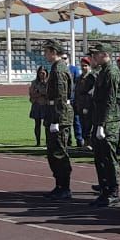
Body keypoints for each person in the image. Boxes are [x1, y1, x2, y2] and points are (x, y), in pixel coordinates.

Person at [86, 44, 120, 206]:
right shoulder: (103, 71)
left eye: (95, 54)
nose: (92, 57)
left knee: (108, 157)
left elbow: (111, 100)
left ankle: (113, 192)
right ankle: (104, 190)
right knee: (100, 157)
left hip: (110, 121)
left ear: (105, 54)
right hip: (101, 119)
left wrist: (102, 124)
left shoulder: (112, 72)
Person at [41, 41, 76, 200]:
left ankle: (64, 187)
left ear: (53, 51)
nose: (45, 55)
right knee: (53, 153)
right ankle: (59, 185)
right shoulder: (56, 68)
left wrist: (56, 119)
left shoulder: (60, 69)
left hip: (59, 116)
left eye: (46, 52)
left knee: (59, 152)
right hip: (55, 113)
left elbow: (61, 97)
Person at [76, 56, 96, 148]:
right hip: (80, 105)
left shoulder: (91, 77)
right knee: (83, 125)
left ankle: (89, 143)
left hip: (88, 106)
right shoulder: (80, 78)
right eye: (82, 66)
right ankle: (85, 142)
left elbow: (90, 93)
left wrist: (87, 107)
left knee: (88, 126)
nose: (83, 68)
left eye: (85, 66)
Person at [28, 66, 49, 146]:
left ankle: (48, 141)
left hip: (46, 105)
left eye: (43, 73)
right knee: (37, 124)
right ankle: (38, 142)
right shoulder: (34, 82)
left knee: (47, 124)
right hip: (37, 104)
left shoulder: (49, 83)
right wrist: (40, 93)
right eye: (40, 73)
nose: (41, 75)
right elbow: (32, 93)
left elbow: (48, 93)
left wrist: (40, 92)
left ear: (46, 73)